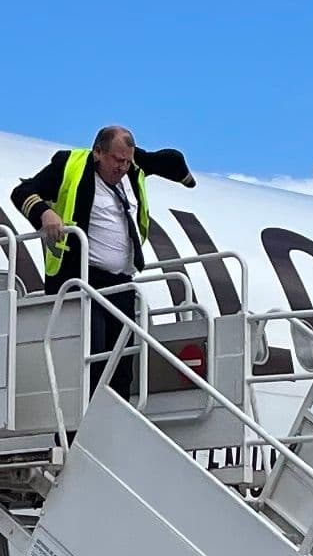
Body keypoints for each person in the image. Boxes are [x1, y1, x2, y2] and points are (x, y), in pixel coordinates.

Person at [11, 127, 195, 386]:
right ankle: (86, 411)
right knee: (93, 355)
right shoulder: (70, 166)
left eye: (127, 161)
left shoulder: (132, 166)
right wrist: (43, 212)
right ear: (98, 152)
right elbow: (21, 192)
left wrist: (186, 179)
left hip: (122, 283)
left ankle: (116, 408)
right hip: (84, 281)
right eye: (117, 161)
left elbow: (169, 160)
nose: (122, 168)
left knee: (122, 364)